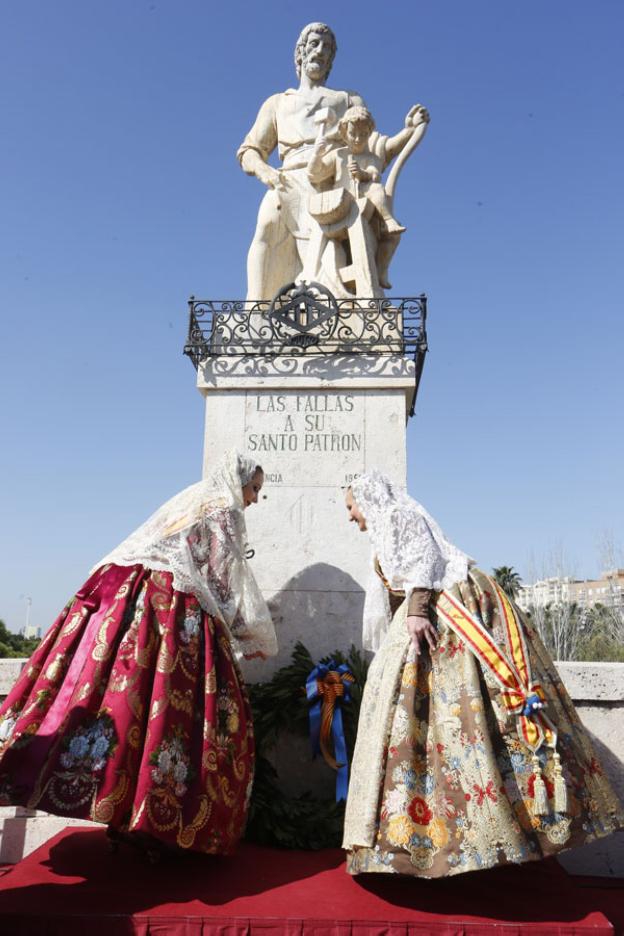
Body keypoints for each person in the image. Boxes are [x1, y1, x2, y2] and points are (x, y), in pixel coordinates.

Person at [342, 470, 624, 877]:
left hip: (449, 616)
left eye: (351, 506)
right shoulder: (386, 530)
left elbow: (425, 557)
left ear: (367, 499)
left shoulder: (401, 516)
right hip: (427, 617)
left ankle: (494, 838)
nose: (351, 516)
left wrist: (419, 610)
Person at [0, 450, 277, 857]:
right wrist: (245, 635)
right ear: (238, 483)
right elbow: (221, 580)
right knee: (171, 714)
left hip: (128, 595)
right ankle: (158, 826)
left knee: (125, 704)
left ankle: (123, 815)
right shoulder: (224, 509)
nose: (254, 499)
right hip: (171, 609)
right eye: (254, 489)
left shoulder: (192, 499)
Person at [237, 22, 365, 301]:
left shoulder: (346, 99)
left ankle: (330, 305)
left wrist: (409, 133)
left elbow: (369, 143)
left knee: (327, 254)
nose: (320, 51)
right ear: (300, 52)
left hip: (327, 182)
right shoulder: (277, 103)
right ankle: (255, 309)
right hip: (286, 177)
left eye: (327, 48)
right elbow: (249, 150)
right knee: (266, 229)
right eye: (314, 44)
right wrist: (264, 171)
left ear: (331, 58)